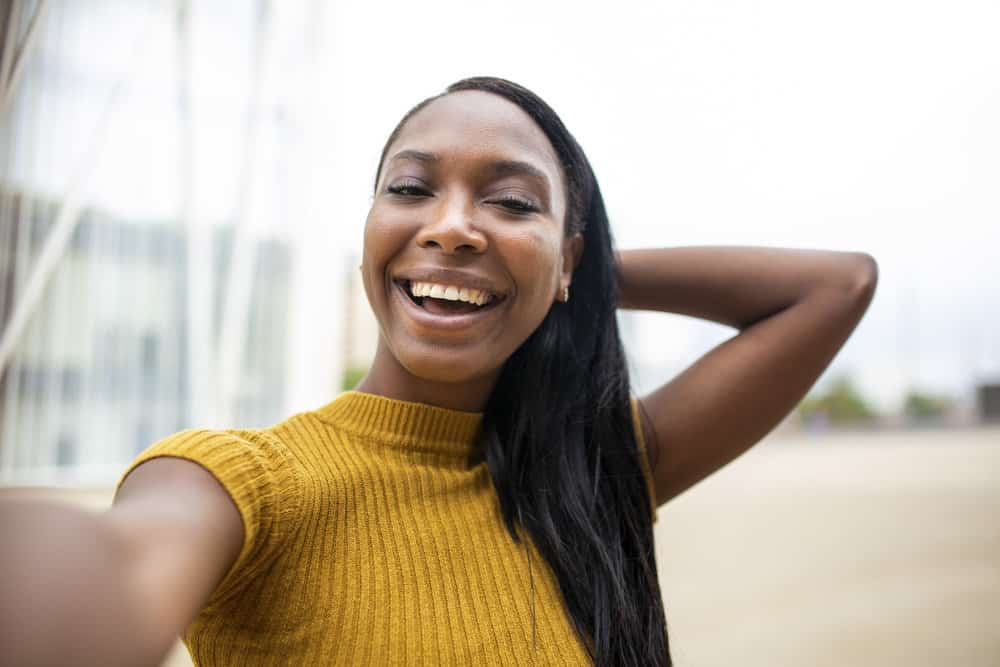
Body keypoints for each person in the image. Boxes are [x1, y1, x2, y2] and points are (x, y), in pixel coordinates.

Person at [0, 77, 877, 666]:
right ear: (370, 230)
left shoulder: (591, 474)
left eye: (510, 200)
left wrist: (563, 274)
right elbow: (116, 567)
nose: (454, 225)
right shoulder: (245, 483)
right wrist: (526, 258)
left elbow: (835, 285)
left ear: (571, 257)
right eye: (412, 189)